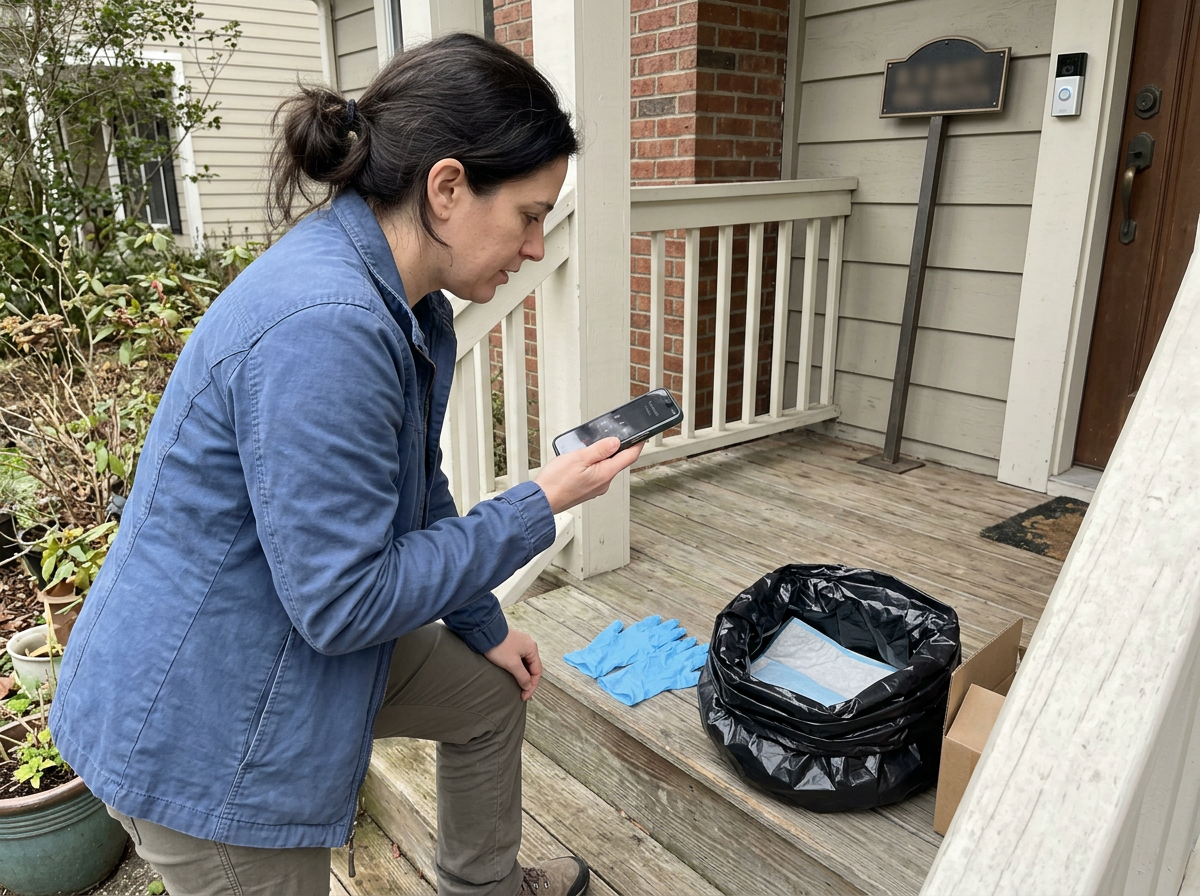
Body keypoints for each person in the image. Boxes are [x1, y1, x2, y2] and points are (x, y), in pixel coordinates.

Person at [49, 33, 641, 896]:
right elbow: (345, 601)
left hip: (287, 633)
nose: (538, 247)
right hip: (207, 730)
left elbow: (417, 495)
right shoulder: (324, 324)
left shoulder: (403, 301)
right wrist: (540, 502)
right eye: (529, 213)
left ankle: (485, 885)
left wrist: (484, 626)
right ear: (447, 188)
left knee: (484, 699)